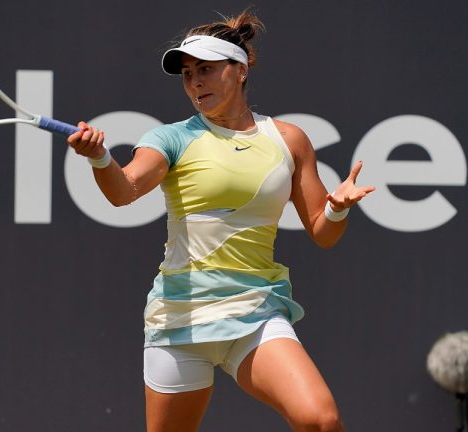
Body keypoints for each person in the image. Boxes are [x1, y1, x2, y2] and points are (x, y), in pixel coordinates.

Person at [66, 9, 374, 432]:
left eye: (206, 70)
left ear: (240, 71)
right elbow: (124, 191)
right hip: (180, 319)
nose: (194, 82)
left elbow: (323, 233)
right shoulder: (170, 138)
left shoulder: (288, 140)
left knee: (320, 420)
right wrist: (100, 158)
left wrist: (337, 207)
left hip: (255, 314)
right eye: (188, 73)